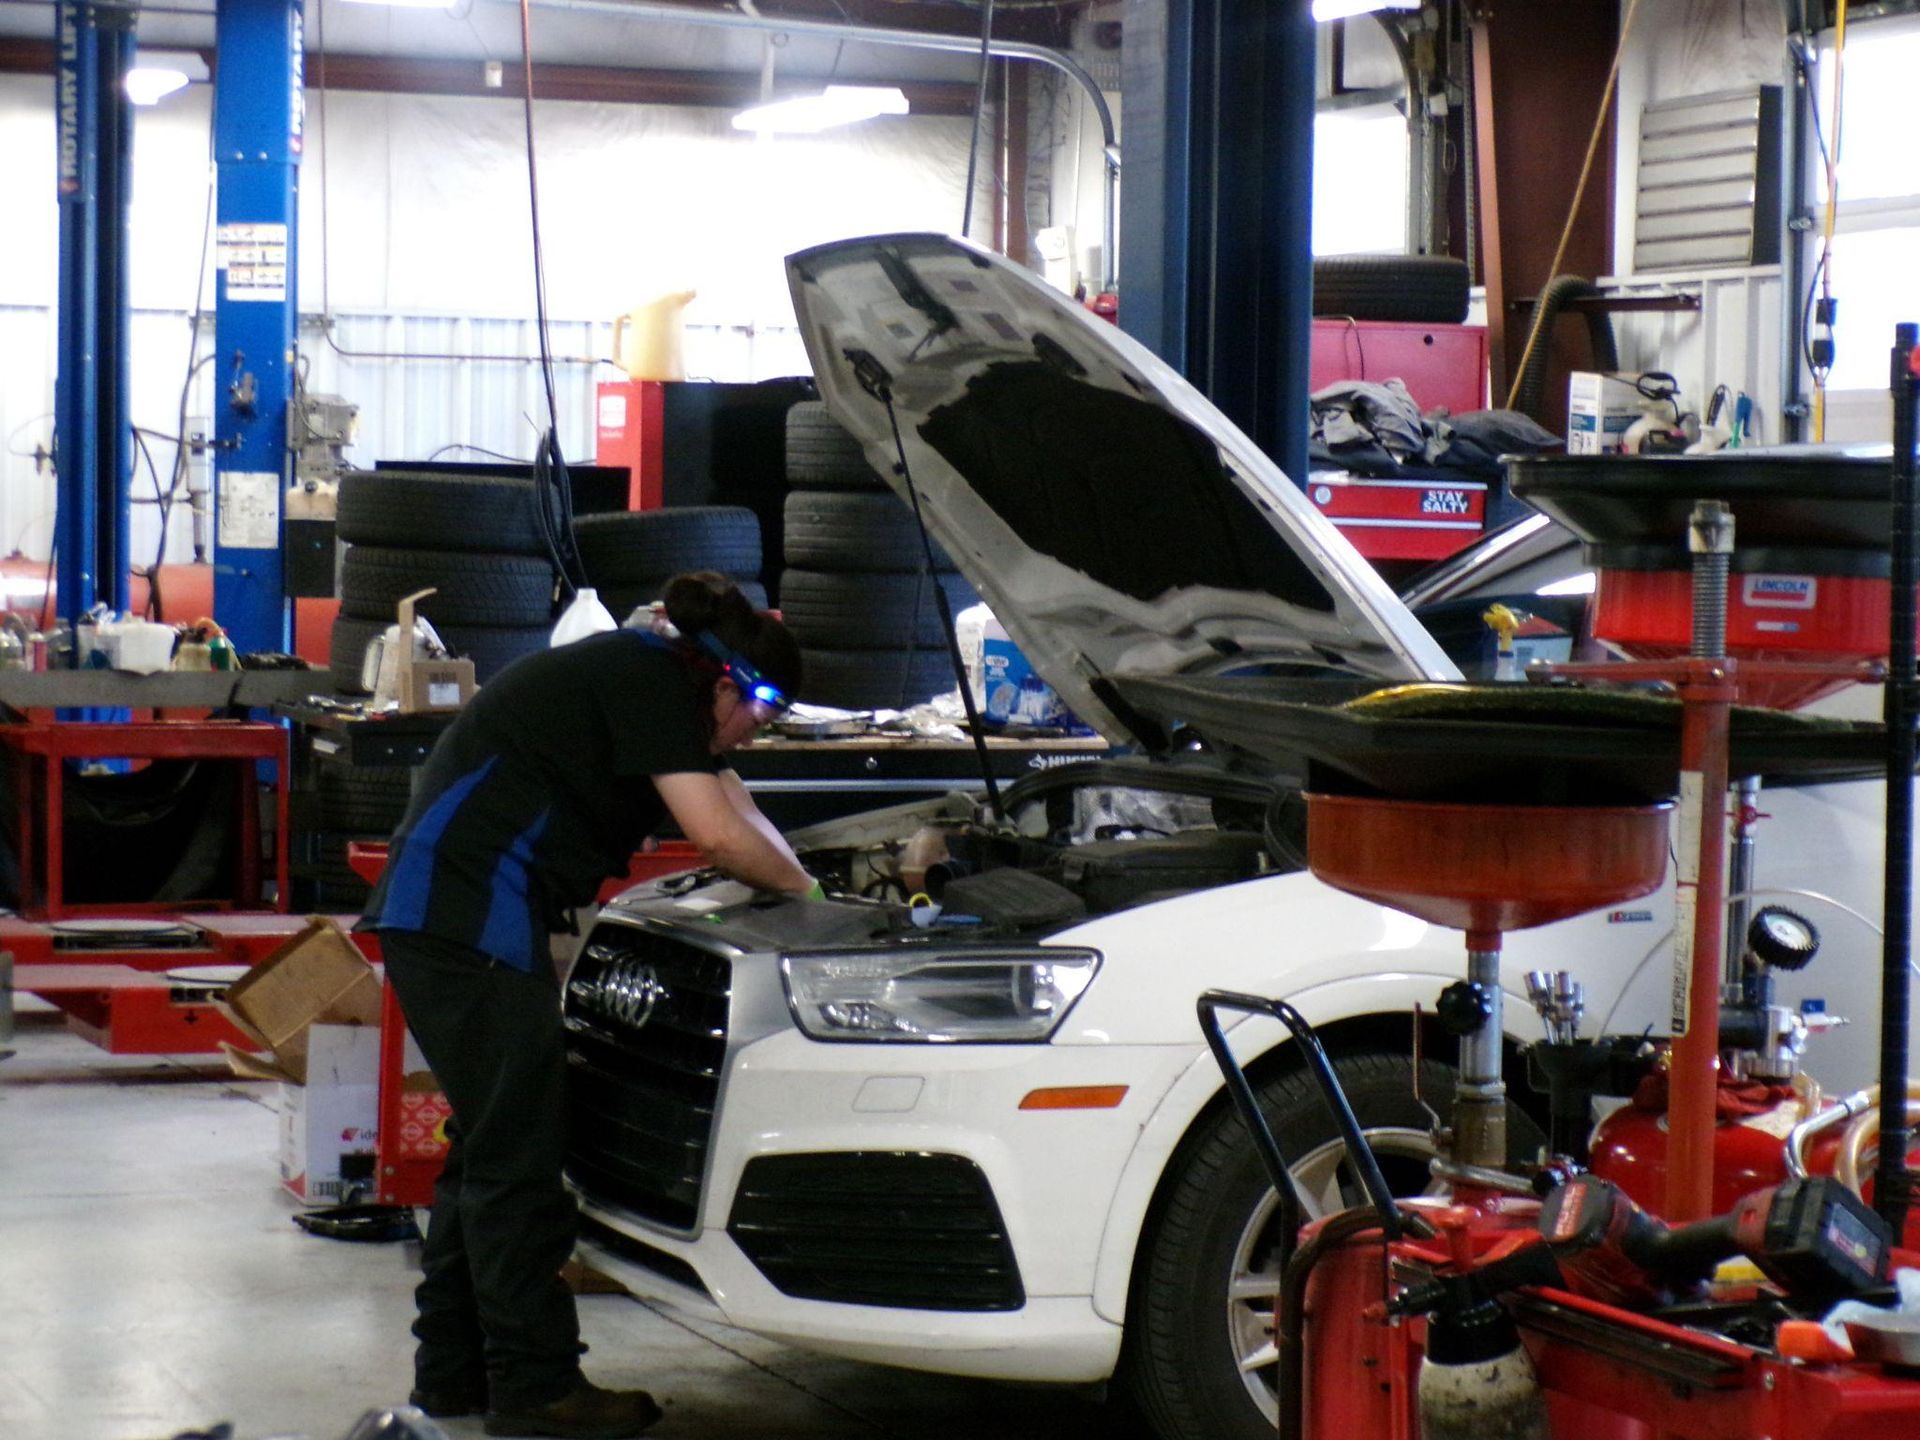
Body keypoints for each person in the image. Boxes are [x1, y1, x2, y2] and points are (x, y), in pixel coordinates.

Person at [360, 572, 815, 1440]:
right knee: (522, 1156)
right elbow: (719, 838)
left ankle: (454, 1380)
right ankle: (535, 1389)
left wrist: (813, 885)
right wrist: (807, 899)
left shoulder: (662, 685)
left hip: (461, 918)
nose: (758, 735)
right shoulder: (643, 678)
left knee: (490, 1151)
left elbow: (740, 811)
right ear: (728, 681)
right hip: (466, 914)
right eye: (764, 713)